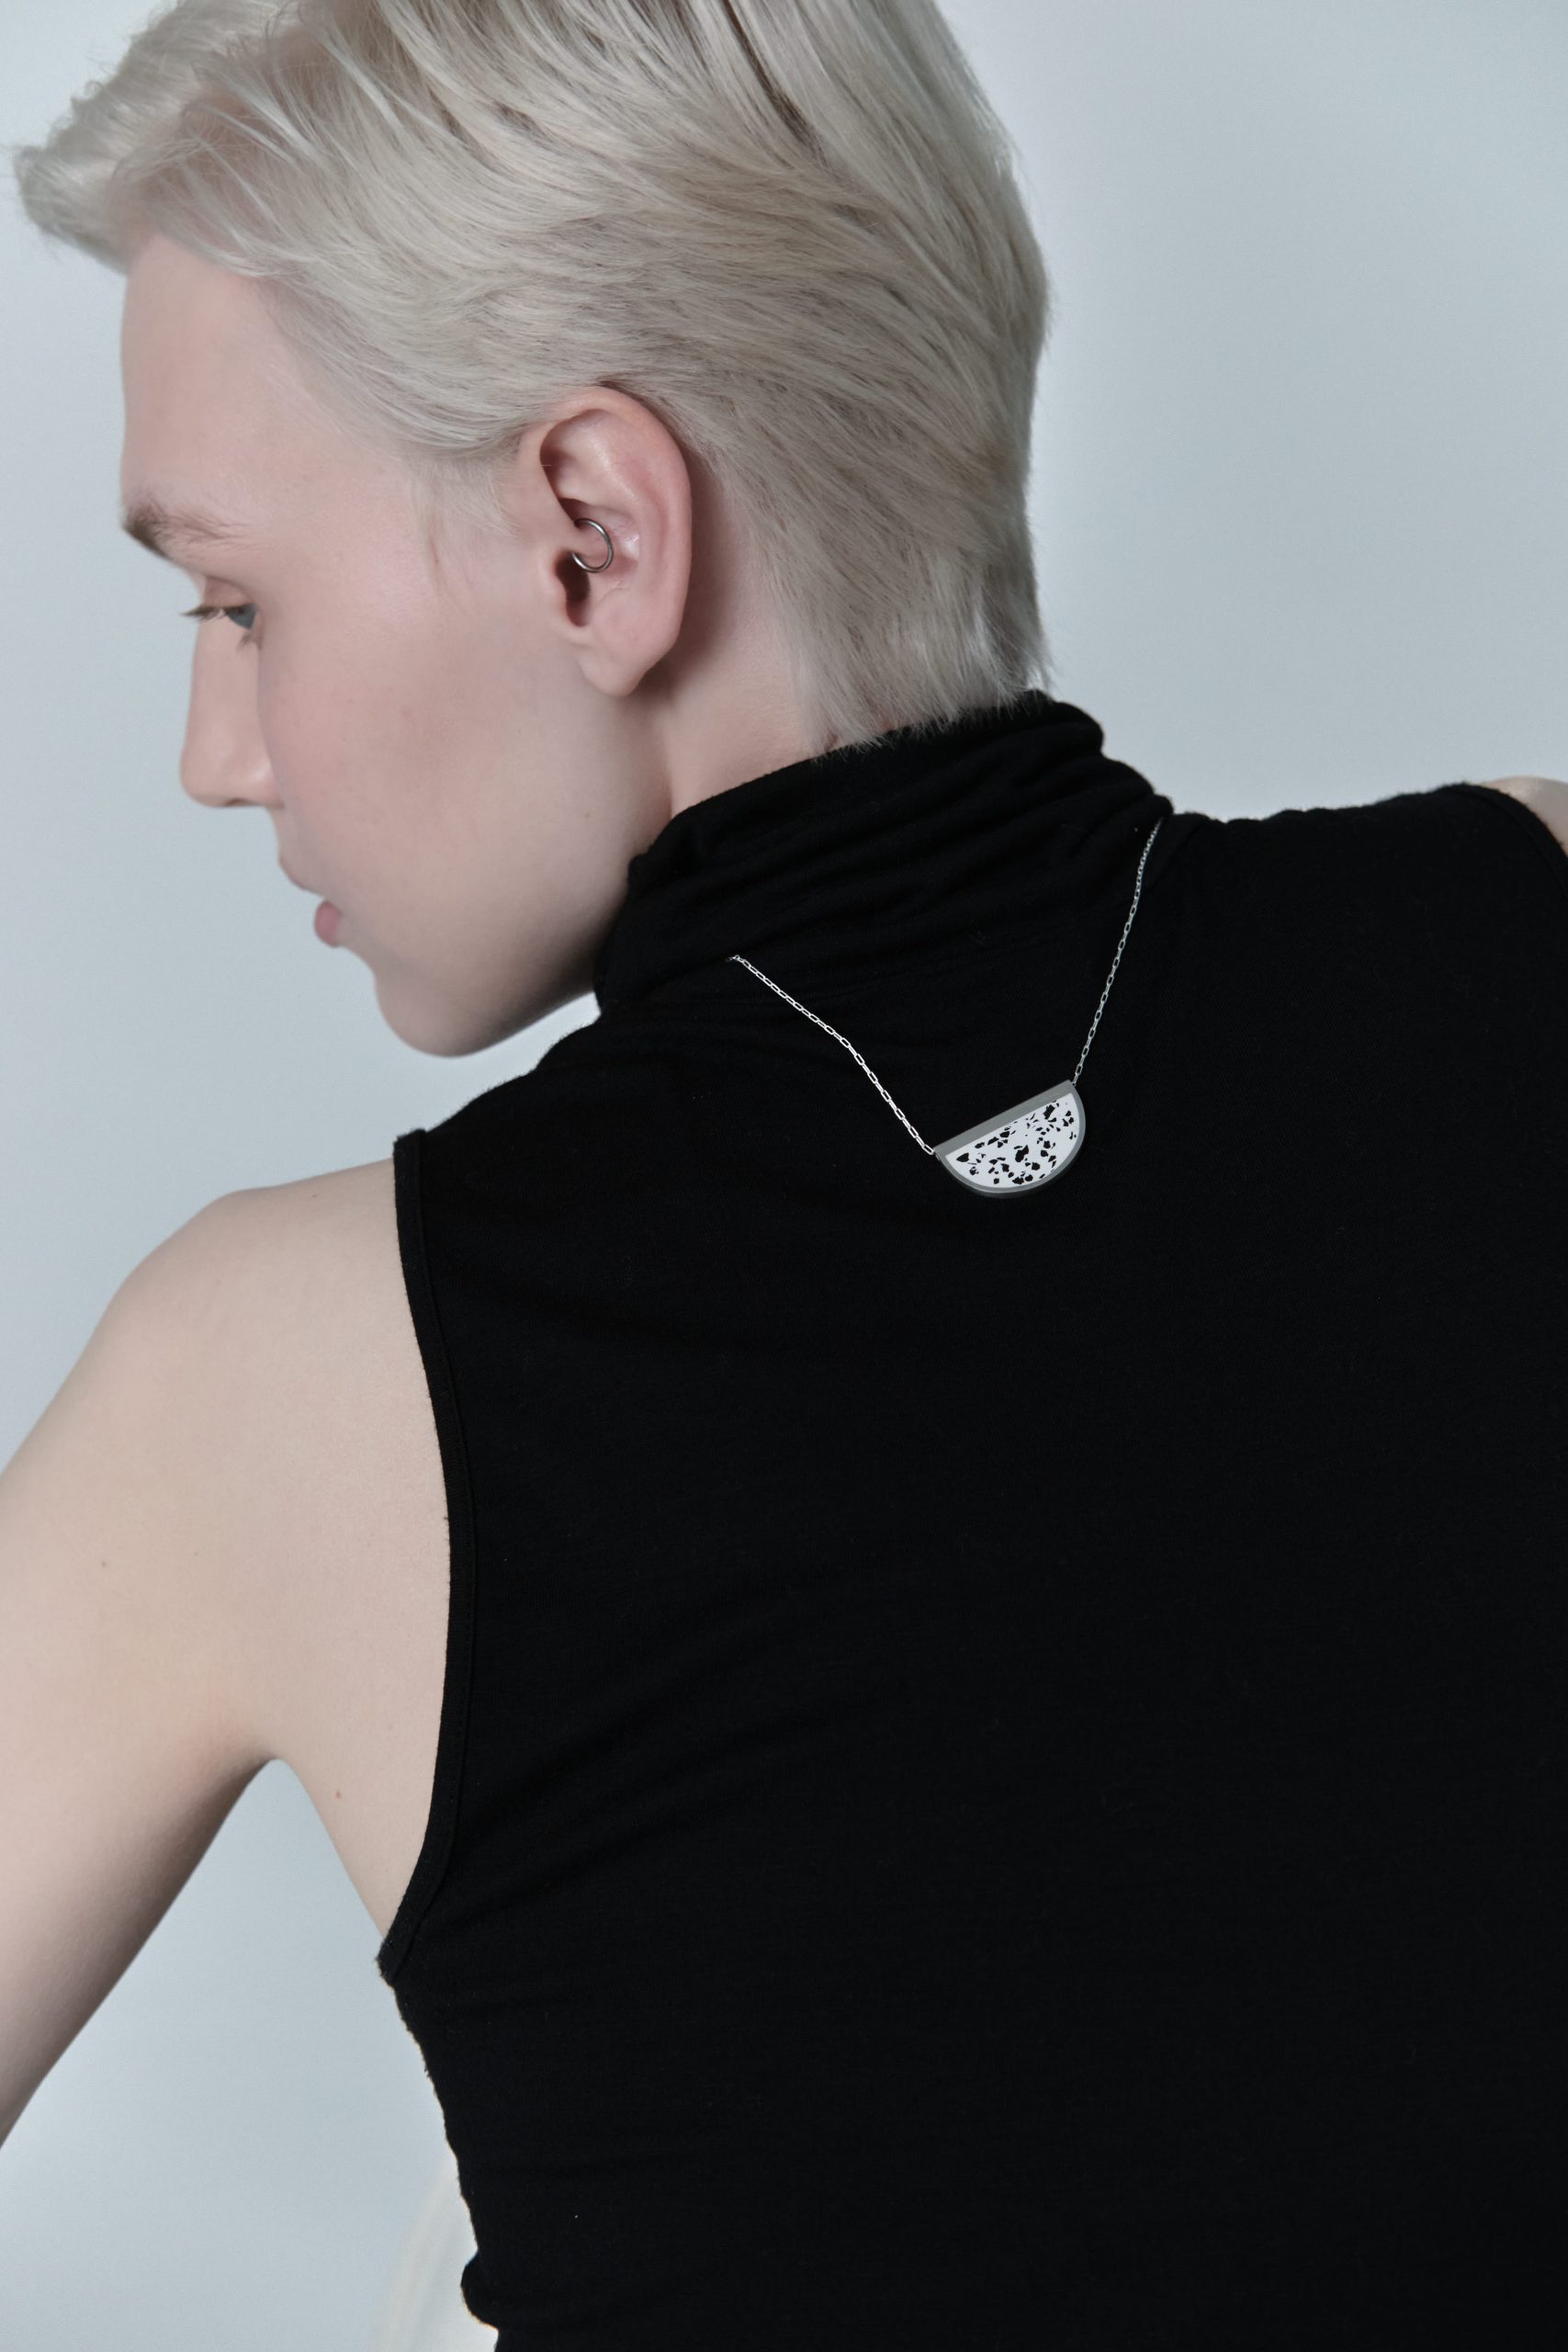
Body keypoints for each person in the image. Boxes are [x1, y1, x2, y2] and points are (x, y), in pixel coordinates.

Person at [4, 3, 1566, 2345]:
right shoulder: (1530, 919)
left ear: (594, 536)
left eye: (237, 597)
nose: (215, 750)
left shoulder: (272, 1384)